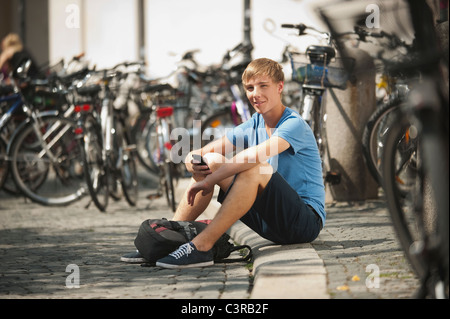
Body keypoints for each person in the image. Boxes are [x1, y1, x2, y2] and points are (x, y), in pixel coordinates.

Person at [123, 57, 326, 268]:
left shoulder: (294, 125)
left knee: (254, 169)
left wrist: (211, 181)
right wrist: (190, 162)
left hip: (303, 222)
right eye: (249, 88)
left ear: (280, 87)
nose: (255, 94)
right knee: (210, 161)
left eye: (263, 86)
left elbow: (253, 157)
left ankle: (201, 246)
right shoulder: (254, 124)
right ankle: (165, 242)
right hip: (269, 222)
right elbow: (204, 152)